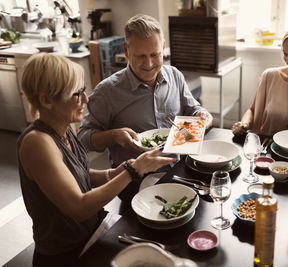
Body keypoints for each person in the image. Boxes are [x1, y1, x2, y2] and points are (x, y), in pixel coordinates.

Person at [17, 53, 176, 267]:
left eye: (84, 91)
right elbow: (79, 208)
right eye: (77, 94)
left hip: (93, 233)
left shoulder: (63, 127)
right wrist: (133, 171)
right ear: (46, 100)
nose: (86, 99)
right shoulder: (37, 143)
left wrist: (118, 171)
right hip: (67, 254)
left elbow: (81, 177)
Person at [77, 14, 212, 200]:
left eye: (155, 54)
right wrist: (114, 135)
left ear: (163, 48)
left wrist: (202, 114)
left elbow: (193, 110)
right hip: (134, 181)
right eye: (140, 56)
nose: (149, 64)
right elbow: (82, 139)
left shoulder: (175, 76)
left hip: (179, 171)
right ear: (126, 50)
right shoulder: (107, 92)